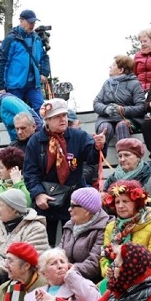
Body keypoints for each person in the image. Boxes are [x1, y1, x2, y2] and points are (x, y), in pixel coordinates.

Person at [23, 98, 103, 245]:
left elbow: (91, 159)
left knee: (76, 243)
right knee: (44, 244)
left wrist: (97, 147)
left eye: (64, 115)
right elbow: (30, 173)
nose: (63, 119)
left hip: (74, 197)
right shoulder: (35, 141)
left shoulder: (78, 136)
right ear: (47, 120)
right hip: (47, 199)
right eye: (57, 116)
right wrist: (38, 194)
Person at [0, 190, 48, 293]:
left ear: (14, 210)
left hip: (24, 286)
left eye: (1, 206)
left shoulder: (35, 228)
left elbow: (25, 261)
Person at [100, 181, 151, 280]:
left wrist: (121, 270)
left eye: (125, 201)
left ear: (136, 203)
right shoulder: (111, 227)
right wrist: (107, 270)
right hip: (112, 279)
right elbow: (104, 256)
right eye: (117, 202)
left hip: (141, 280)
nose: (120, 206)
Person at [0, 9, 50, 113]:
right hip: (15, 85)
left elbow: (44, 57)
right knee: (18, 112)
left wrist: (44, 73)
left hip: (33, 84)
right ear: (21, 21)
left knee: (42, 110)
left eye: (34, 22)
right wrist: (1, 87)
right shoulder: (11, 39)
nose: (32, 25)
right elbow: (2, 63)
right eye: (30, 22)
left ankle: (40, 129)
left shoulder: (37, 39)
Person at [93, 55, 147, 154]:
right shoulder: (107, 84)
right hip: (107, 118)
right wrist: (106, 109)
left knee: (122, 126)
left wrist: (123, 110)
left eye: (113, 65)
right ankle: (98, 161)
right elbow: (96, 103)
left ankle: (127, 161)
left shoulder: (135, 84)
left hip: (128, 119)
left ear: (121, 70)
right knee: (104, 128)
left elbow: (142, 107)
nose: (110, 67)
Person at [60, 187, 112, 283]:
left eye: (73, 206)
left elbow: (94, 264)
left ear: (87, 210)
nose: (69, 209)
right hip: (66, 277)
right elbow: (59, 253)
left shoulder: (104, 228)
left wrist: (66, 269)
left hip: (90, 284)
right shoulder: (69, 225)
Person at [0, 146, 30, 221]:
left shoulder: (25, 184)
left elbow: (26, 205)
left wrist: (18, 183)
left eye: (1, 168)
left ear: (13, 169)